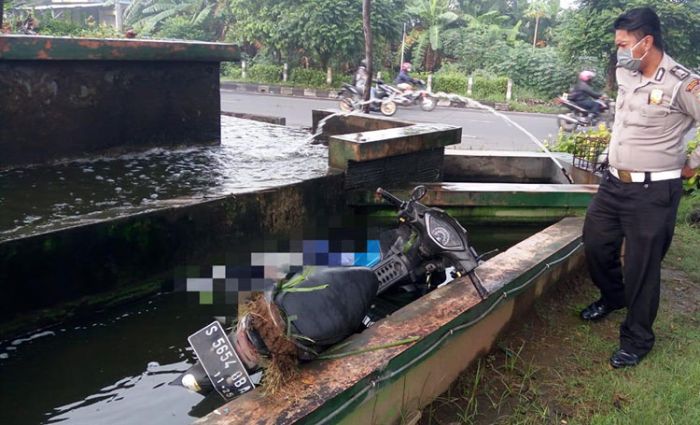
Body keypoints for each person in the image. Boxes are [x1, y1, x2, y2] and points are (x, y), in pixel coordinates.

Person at [581, 7, 700, 369]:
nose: (619, 51)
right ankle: (614, 296)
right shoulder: (625, 71)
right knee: (596, 244)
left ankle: (637, 339)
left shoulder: (682, 82)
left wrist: (693, 164)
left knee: (642, 267)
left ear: (646, 42)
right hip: (614, 183)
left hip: (654, 192)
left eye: (624, 44)